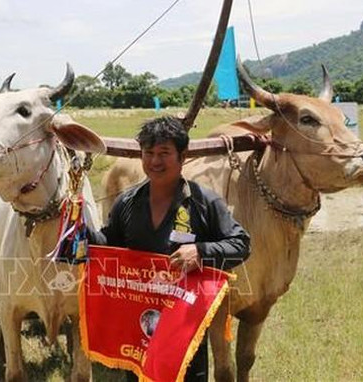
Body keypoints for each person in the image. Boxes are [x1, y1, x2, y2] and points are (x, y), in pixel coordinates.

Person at [87, 115, 251, 382]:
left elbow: (241, 244)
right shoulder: (127, 202)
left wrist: (201, 251)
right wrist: (82, 237)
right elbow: (110, 243)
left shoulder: (204, 202)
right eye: (148, 153)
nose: (154, 161)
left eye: (164, 153)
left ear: (183, 156)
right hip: (138, 325)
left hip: (185, 326)